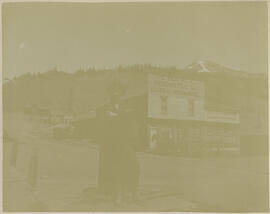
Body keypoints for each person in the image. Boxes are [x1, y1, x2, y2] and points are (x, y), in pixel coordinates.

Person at [97, 80, 140, 204]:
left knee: (135, 165)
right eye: (113, 91)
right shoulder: (105, 108)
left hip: (126, 142)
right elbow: (102, 125)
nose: (116, 93)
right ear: (110, 94)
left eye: (118, 91)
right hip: (113, 144)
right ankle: (119, 195)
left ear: (122, 93)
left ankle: (134, 192)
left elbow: (132, 122)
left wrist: (133, 140)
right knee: (117, 169)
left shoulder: (127, 106)